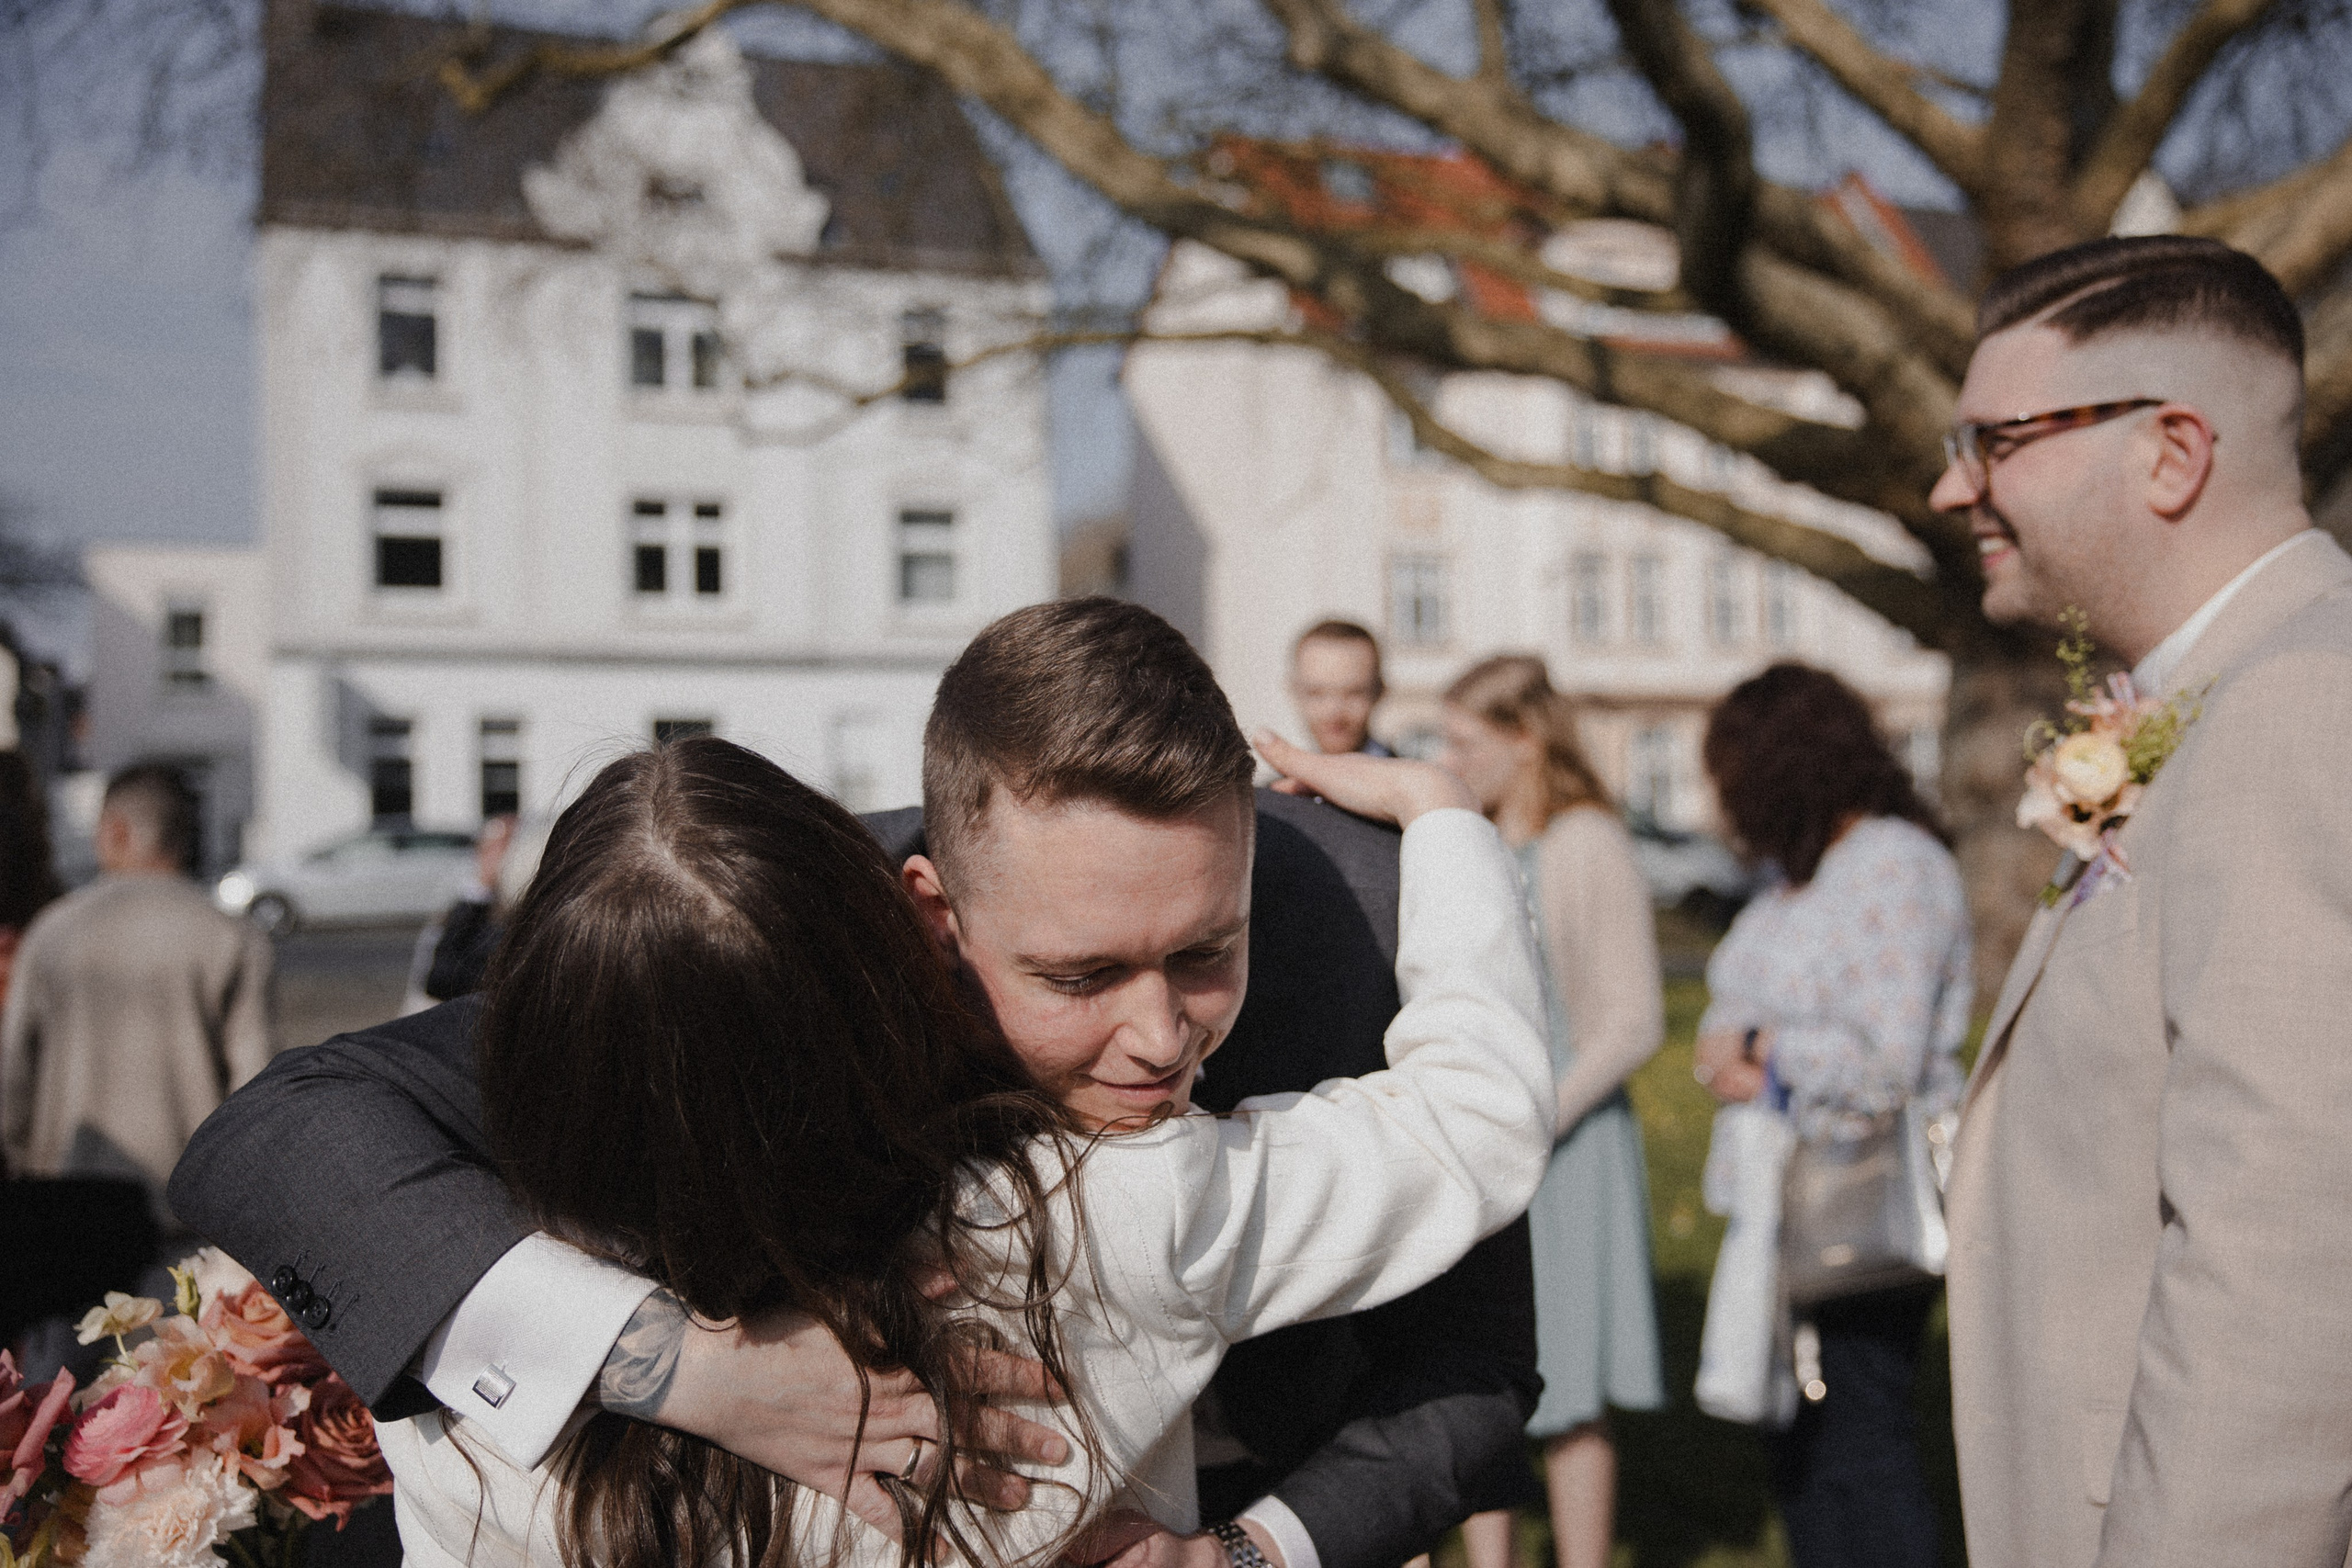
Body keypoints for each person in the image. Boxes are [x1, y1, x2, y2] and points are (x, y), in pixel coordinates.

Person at [172, 600, 1544, 1568]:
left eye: (1203, 950)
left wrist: (1252, 1553)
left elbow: (1475, 1357)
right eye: (1074, 974)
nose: (1154, 1037)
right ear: (925, 916)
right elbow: (288, 1132)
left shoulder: (461, 1428)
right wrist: (683, 1367)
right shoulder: (749, 968)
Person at [1932, 235, 2352, 1566]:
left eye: (1993, 439)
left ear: (2172, 451)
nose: (1951, 488)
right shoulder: (2226, 696)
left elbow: (2280, 1268)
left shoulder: (2294, 703)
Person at [1690, 663, 1969, 1568]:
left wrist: (1764, 1047)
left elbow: (1887, 1058)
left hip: (1863, 1199)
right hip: (1783, 1206)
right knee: (1802, 1447)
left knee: (1862, 1438)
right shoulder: (1792, 876)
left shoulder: (1893, 865)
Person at [1437, 655, 1664, 1568]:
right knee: (1477, 1382)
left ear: (1523, 740)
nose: (1447, 760)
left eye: (1462, 741)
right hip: (1488, 1146)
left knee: (1569, 1390)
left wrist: (1533, 1117)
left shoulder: (1586, 843)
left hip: (1567, 1150)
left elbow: (1633, 1022)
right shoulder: (1479, 839)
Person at [3, 761, 274, 1231]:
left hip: (66, 1205)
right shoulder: (234, 938)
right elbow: (258, 1091)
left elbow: (14, 1080)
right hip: (187, 1213)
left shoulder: (53, 933)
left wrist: (19, 1163)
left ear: (116, 831)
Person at [1289, 621, 1392, 756]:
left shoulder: (1415, 776)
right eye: (1316, 693)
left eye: (1353, 693)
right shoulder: (1277, 777)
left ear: (1380, 692)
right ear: (1294, 692)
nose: (1334, 712)